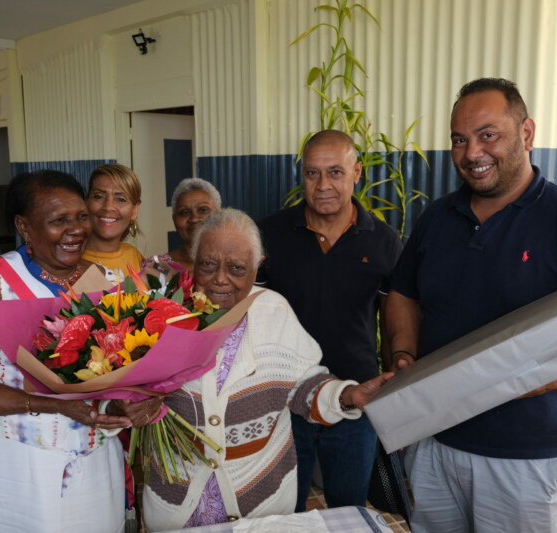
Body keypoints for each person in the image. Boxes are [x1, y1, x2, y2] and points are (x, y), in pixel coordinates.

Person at [385, 78, 557, 533]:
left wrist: (556, 375)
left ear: (527, 133)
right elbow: (403, 293)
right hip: (434, 438)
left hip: (523, 456)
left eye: (488, 135)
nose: (472, 152)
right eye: (460, 139)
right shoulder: (438, 218)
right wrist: (403, 354)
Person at [141, 208, 394, 532]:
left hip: (260, 504)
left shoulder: (273, 311)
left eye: (236, 268)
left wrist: (347, 394)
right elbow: (126, 387)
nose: (220, 278)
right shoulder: (160, 316)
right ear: (193, 259)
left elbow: (303, 384)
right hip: (177, 503)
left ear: (257, 267)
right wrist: (131, 405)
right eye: (208, 264)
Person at [0, 170, 160, 533]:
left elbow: (105, 372)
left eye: (80, 217)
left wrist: (125, 401)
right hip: (20, 465)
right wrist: (55, 404)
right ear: (24, 227)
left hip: (94, 459)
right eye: (59, 221)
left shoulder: (99, 279)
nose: (75, 230)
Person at [257, 129, 403, 510]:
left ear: (357, 172)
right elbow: (251, 316)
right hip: (284, 400)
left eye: (335, 172)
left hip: (356, 397)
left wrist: (390, 384)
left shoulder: (384, 241)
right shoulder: (270, 234)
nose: (323, 185)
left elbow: (393, 322)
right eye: (312, 173)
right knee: (284, 508)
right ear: (301, 175)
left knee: (349, 510)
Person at [83, 164, 145, 280]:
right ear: (86, 202)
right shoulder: (70, 259)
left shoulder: (135, 256)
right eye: (98, 196)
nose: (108, 207)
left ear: (134, 210)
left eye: (120, 199)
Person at [151, 177, 222, 272]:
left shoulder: (237, 263)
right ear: (174, 220)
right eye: (184, 212)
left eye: (203, 210)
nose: (194, 219)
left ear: (220, 216)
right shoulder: (158, 266)